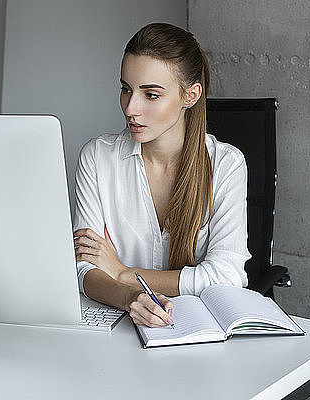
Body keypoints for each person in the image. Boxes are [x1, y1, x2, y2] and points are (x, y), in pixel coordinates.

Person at [72, 22, 251, 328]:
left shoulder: (226, 165)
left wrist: (124, 273)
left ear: (191, 95)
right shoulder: (97, 158)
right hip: (120, 327)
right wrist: (129, 298)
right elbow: (85, 267)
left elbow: (228, 276)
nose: (131, 108)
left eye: (151, 95)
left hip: (196, 331)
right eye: (126, 89)